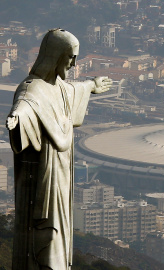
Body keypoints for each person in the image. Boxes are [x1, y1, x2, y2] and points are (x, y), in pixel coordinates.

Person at [5, 29, 112, 270]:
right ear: (55, 56)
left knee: (61, 233)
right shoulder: (33, 88)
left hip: (61, 177)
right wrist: (17, 118)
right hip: (44, 176)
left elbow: (73, 91)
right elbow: (25, 104)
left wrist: (92, 86)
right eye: (70, 57)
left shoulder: (59, 87)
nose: (73, 63)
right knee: (47, 235)